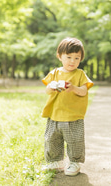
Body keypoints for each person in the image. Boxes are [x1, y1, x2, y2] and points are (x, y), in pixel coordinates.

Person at [41, 37, 94, 176]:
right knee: (52, 139)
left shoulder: (80, 74)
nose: (72, 61)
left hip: (73, 115)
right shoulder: (55, 73)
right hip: (55, 114)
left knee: (75, 140)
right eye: (69, 57)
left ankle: (75, 162)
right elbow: (46, 90)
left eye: (77, 58)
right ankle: (55, 162)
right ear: (60, 56)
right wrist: (51, 87)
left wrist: (74, 88)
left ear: (81, 58)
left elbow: (84, 91)